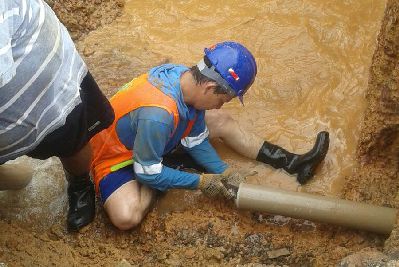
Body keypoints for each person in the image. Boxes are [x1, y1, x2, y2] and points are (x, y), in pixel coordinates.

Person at [89, 41, 330, 230]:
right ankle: (161, 176)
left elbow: (195, 138)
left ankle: (293, 164)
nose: (221, 105)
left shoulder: (185, 78)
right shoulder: (158, 115)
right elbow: (147, 168)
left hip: (149, 136)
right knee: (126, 217)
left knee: (221, 122)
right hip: (115, 158)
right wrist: (201, 182)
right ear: (210, 87)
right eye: (223, 99)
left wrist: (224, 172)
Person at [0, 0, 114, 231]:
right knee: (21, 174)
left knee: (71, 136)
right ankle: (15, 175)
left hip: (44, 84)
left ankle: (80, 184)